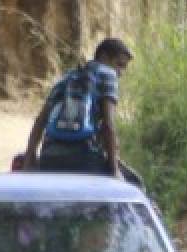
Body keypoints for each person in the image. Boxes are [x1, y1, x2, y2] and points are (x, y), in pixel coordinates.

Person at [24, 38, 133, 179]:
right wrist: (114, 169)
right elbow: (108, 125)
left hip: (50, 155)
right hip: (85, 157)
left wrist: (29, 157)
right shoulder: (107, 75)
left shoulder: (68, 76)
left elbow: (41, 120)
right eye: (119, 65)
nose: (121, 72)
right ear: (104, 57)